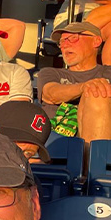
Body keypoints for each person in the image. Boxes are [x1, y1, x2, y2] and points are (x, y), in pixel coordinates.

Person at [37, 21, 111, 155]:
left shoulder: (108, 73)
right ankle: (93, 169)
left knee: (97, 94)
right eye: (62, 42)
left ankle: (92, 166)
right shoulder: (51, 73)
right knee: (95, 92)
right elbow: (51, 94)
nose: (65, 45)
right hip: (58, 144)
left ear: (96, 41)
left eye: (72, 38)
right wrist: (84, 87)